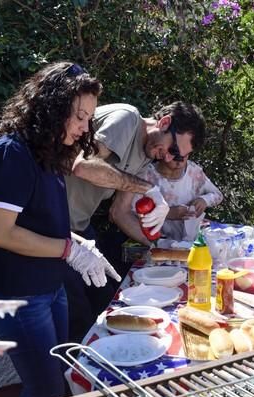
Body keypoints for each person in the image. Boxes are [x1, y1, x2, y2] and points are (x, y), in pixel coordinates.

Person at [0, 61, 120, 397]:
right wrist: (69, 250)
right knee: (47, 394)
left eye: (89, 118)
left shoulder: (47, 154)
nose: (85, 127)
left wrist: (78, 242)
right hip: (19, 297)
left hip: (49, 288)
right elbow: (1, 233)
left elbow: (38, 220)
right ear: (53, 107)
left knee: (58, 382)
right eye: (80, 116)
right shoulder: (12, 152)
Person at [64, 102, 206, 340]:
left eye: (177, 156)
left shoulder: (146, 155)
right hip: (51, 228)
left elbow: (119, 212)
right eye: (173, 149)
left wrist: (160, 246)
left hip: (79, 229)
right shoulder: (127, 118)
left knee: (107, 303)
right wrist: (149, 189)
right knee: (78, 318)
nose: (170, 158)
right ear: (164, 122)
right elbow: (83, 166)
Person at [111, 156, 223, 245]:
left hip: (192, 242)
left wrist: (204, 200)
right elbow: (129, 213)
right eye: (175, 155)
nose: (179, 163)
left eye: (185, 156)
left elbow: (218, 195)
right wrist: (168, 213)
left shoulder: (193, 171)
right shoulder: (146, 175)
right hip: (158, 242)